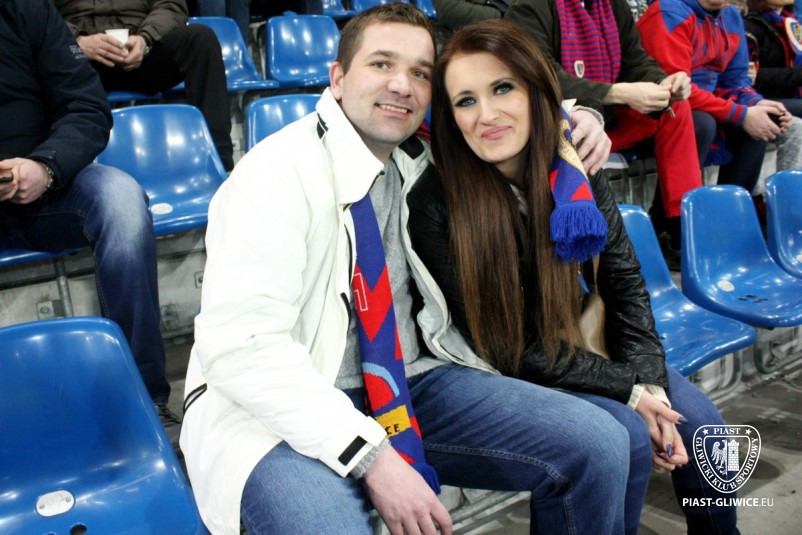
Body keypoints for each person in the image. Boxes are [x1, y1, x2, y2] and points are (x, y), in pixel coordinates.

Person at [179, 4, 634, 535]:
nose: (402, 84)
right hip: (282, 405)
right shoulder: (275, 173)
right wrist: (372, 456)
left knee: (600, 444)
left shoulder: (422, 156)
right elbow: (242, 350)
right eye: (381, 64)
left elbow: (509, 112)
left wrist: (578, 117)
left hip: (410, 376)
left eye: (420, 72)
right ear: (338, 78)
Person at [407, 19, 739, 534]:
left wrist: (650, 383)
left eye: (502, 88)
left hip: (573, 341)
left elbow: (624, 284)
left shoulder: (574, 165)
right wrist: (630, 391)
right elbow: (506, 345)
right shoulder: (435, 200)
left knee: (703, 427)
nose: (486, 114)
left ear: (537, 92)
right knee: (627, 435)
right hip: (505, 363)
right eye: (465, 101)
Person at [0, 0, 179, 441]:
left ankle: (143, 396)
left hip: (44, 187)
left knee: (121, 198)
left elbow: (86, 104)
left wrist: (45, 167)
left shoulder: (29, 12)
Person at [504, 0, 702, 268]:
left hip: (609, 120)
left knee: (680, 109)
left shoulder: (613, 5)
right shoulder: (530, 8)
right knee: (574, 133)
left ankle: (678, 227)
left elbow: (637, 61)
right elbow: (541, 80)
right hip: (563, 123)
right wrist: (615, 93)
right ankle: (586, 254)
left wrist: (663, 83)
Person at [637, 0, 796, 203]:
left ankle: (733, 209)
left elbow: (735, 80)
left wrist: (754, 103)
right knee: (702, 123)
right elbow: (674, 89)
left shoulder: (730, 15)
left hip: (706, 104)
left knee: (764, 120)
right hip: (655, 111)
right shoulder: (668, 12)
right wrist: (741, 114)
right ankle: (673, 217)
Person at [54, 0, 235, 171]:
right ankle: (52, 164)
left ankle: (219, 163)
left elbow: (170, 4)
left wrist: (145, 39)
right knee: (48, 54)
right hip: (79, 58)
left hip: (141, 49)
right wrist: (77, 42)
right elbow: (43, 15)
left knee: (201, 38)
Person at [744, 0, 802, 117]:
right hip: (759, 99)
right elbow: (749, 77)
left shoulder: (791, 20)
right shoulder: (747, 23)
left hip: (789, 95)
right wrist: (798, 75)